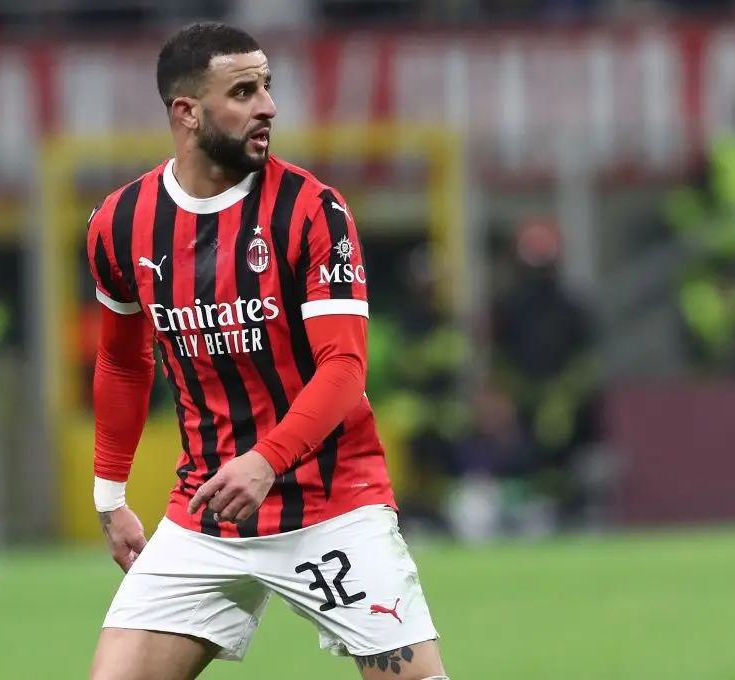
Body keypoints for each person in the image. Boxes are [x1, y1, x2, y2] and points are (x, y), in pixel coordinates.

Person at [85, 22, 447, 680]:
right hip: (207, 515)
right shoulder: (120, 223)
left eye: (268, 87)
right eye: (244, 91)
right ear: (186, 112)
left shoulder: (313, 211)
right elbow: (122, 361)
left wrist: (265, 460)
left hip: (331, 505)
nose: (268, 107)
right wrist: (110, 495)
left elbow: (345, 367)